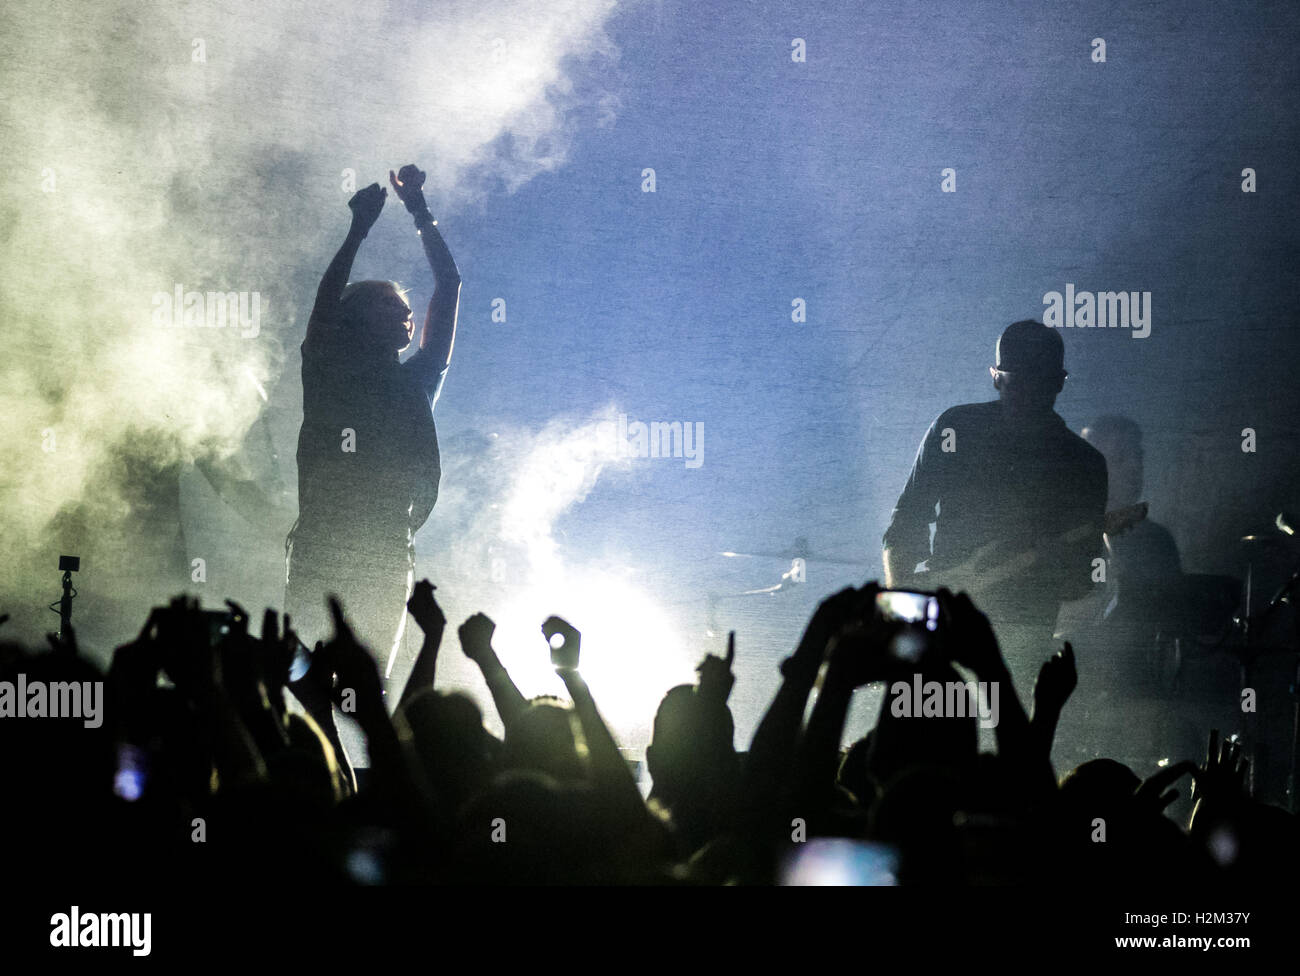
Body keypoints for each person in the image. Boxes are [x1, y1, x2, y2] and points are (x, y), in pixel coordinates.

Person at [285, 165, 461, 687]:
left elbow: (450, 285)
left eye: (408, 309)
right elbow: (324, 306)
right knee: (309, 685)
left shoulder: (418, 381)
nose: (407, 316)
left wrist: (420, 211)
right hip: (324, 544)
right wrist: (357, 230)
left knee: (362, 693)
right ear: (356, 318)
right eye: (392, 306)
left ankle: (347, 765)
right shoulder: (325, 369)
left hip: (386, 549)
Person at [881, 320, 1108, 698]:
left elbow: (1083, 579)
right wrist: (900, 618)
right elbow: (906, 525)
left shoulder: (1084, 464)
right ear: (995, 378)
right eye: (1018, 381)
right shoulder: (955, 428)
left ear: (1058, 382)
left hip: (1021, 638)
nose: (1027, 394)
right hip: (948, 624)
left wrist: (1050, 565)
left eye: (1037, 382)